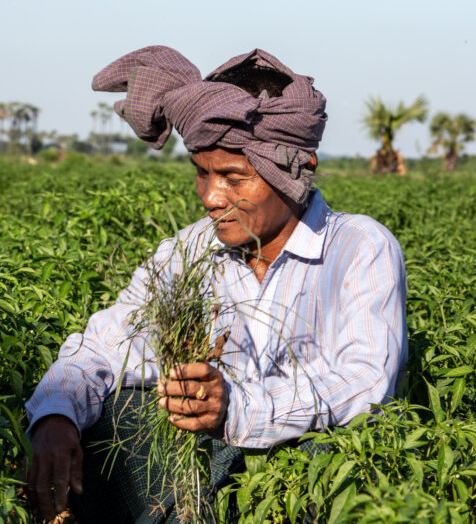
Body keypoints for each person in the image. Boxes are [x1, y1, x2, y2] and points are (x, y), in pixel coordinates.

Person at [25, 46, 408, 522]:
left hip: (309, 483)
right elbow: (106, 346)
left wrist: (236, 407)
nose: (210, 196)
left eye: (232, 177)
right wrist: (55, 416)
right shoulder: (190, 250)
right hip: (207, 470)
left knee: (323, 454)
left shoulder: (359, 247)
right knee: (113, 413)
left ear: (295, 171)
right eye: (202, 174)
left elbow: (363, 382)